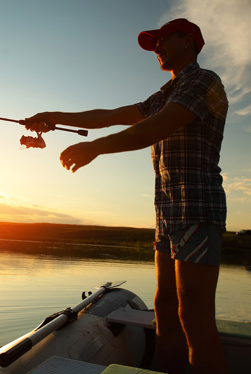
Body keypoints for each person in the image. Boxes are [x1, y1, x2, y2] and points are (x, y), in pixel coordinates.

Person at [21, 18, 228, 374]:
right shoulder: (165, 93)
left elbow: (157, 127)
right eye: (155, 43)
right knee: (165, 309)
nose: (157, 48)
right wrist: (52, 117)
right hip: (167, 213)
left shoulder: (204, 81)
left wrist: (95, 148)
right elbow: (111, 115)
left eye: (163, 40)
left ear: (188, 41)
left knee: (194, 317)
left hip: (196, 208)